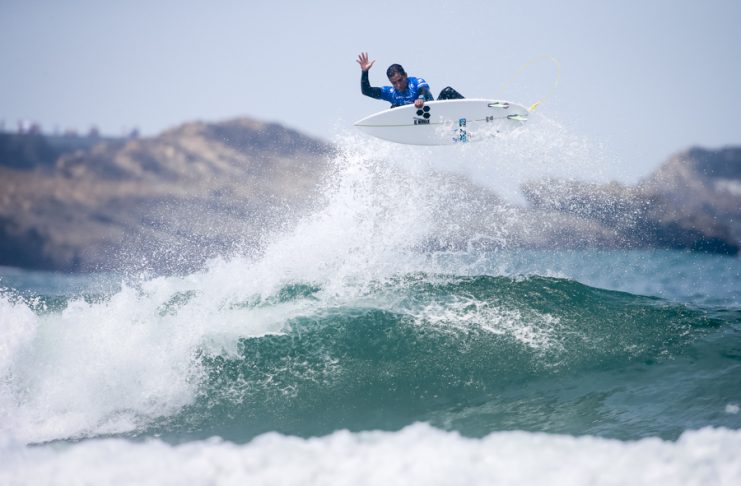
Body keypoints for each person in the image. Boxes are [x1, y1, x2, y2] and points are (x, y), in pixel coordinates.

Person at [356, 52, 463, 109]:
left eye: (400, 80)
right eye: (394, 83)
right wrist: (365, 72)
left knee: (447, 91)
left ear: (405, 75)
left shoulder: (416, 82)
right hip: (414, 121)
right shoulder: (390, 92)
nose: (398, 85)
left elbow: (424, 90)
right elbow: (366, 91)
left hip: (434, 112)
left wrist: (421, 98)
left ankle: (474, 112)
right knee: (394, 108)